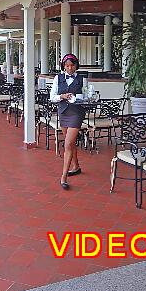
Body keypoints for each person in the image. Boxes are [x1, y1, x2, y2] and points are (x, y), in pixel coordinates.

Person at [50, 53, 84, 190]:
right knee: (71, 143)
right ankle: (76, 167)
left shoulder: (82, 79)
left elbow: (86, 95)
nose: (70, 68)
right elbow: (52, 97)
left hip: (76, 113)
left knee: (68, 143)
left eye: (72, 65)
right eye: (67, 66)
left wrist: (82, 98)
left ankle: (64, 176)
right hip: (63, 112)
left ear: (76, 66)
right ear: (63, 66)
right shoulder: (58, 78)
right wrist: (61, 96)